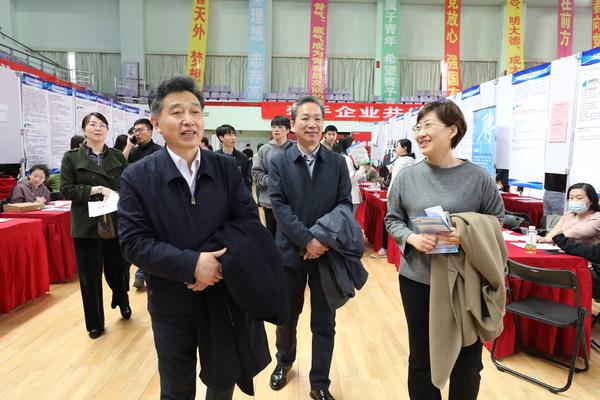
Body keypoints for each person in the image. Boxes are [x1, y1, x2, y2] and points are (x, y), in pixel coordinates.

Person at [117, 76, 283, 400]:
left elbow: (248, 224)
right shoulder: (138, 176)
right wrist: (191, 264)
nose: (188, 120)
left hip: (223, 294)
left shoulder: (226, 170)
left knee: (223, 382)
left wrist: (214, 265)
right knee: (176, 388)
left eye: (195, 111)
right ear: (156, 122)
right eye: (177, 112)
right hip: (170, 302)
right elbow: (133, 242)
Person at [384, 100, 504, 400]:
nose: (420, 133)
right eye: (418, 127)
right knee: (421, 360)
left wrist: (465, 234)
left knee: (468, 362)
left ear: (452, 130)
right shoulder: (407, 178)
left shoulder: (478, 178)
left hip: (465, 283)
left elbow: (496, 220)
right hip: (419, 281)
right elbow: (392, 219)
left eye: (428, 125)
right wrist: (411, 238)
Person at [268, 96, 355, 400]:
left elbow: (345, 205)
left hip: (327, 255)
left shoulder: (338, 163)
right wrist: (307, 240)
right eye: (305, 118)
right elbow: (279, 205)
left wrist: (321, 239)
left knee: (324, 321)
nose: (312, 124)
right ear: (293, 124)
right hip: (290, 252)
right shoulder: (279, 162)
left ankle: (319, 382)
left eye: (317, 118)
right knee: (287, 316)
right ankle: (284, 362)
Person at [60, 112, 131, 340]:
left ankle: (122, 299)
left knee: (119, 269)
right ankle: (95, 323)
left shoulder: (118, 156)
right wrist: (97, 190)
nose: (98, 128)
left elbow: (129, 184)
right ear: (84, 130)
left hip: (114, 221)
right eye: (93, 124)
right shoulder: (71, 158)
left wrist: (118, 194)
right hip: (86, 225)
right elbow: (66, 189)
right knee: (89, 277)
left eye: (102, 125)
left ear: (107, 130)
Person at [371, 139, 416, 259]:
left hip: (396, 198)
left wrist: (390, 196)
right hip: (408, 197)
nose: (395, 148)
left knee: (389, 222)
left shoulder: (402, 161)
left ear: (405, 148)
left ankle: (385, 249)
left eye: (397, 146)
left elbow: (394, 182)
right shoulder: (411, 160)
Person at [252, 115, 294, 236]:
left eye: (280, 127)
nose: (276, 130)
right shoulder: (264, 150)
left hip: (291, 202)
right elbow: (256, 173)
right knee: (272, 235)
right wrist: (272, 181)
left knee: (290, 235)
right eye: (274, 127)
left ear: (288, 130)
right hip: (270, 202)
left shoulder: (295, 150)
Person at [215, 124, 252, 192]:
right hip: (219, 194)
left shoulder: (243, 157)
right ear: (221, 138)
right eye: (229, 135)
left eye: (234, 135)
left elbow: (246, 181)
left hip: (238, 194)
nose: (233, 138)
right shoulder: (214, 157)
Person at [338, 135, 366, 216]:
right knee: (349, 220)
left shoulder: (342, 157)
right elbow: (350, 178)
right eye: (353, 144)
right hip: (350, 196)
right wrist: (362, 169)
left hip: (348, 196)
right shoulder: (346, 159)